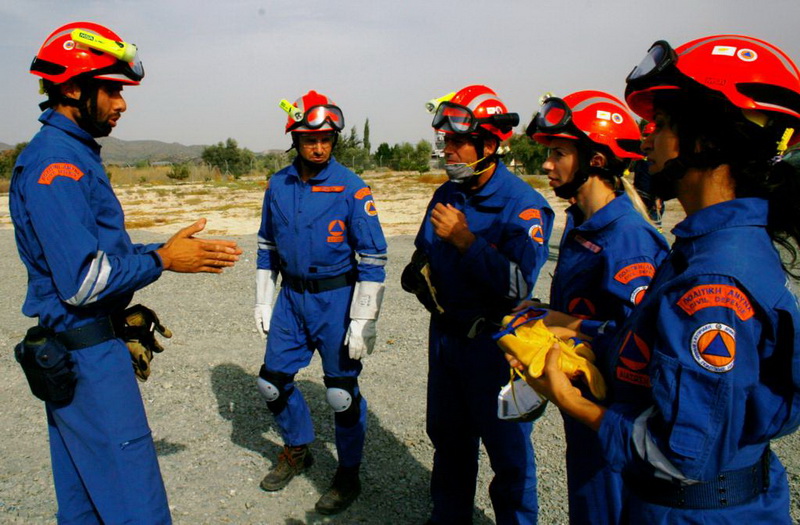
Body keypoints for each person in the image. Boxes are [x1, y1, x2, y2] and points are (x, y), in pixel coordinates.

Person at [512, 35, 800, 522]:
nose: (646, 138)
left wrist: (568, 400)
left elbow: (682, 455)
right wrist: (578, 327)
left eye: (662, 124)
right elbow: (651, 349)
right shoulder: (705, 247)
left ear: (706, 140)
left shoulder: (714, 283)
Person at [9, 22, 242, 524]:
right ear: (73, 87)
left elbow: (99, 250)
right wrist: (162, 261)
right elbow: (82, 280)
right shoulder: (57, 166)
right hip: (89, 362)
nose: (121, 103)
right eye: (112, 88)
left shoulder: (71, 154)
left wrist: (160, 247)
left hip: (77, 354)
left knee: (86, 507)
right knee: (138, 509)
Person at [404, 84, 554, 524]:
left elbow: (518, 286)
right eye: (445, 141)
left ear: (489, 145)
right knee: (449, 440)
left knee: (508, 455)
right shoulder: (448, 193)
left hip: (496, 347)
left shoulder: (523, 207)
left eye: (457, 142)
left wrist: (467, 242)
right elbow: (424, 254)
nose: (447, 151)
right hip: (447, 341)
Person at [524, 90, 669, 523]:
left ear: (598, 161)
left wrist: (562, 323)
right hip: (584, 403)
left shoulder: (629, 240)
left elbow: (639, 344)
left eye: (559, 153)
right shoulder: (580, 221)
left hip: (613, 415)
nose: (547, 163)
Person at [254, 90, 387, 515]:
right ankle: (298, 447)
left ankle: (348, 473)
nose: (318, 146)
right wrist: (263, 300)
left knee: (341, 396)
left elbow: (373, 257)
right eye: (309, 138)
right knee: (271, 383)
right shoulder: (278, 184)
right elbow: (266, 244)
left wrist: (363, 319)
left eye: (326, 138)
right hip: (291, 299)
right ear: (295, 138)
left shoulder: (352, 187)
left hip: (336, 299)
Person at [632, 122, 665, 228]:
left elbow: (660, 178)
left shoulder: (658, 157)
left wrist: (658, 198)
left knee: (654, 225)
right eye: (646, 135)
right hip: (639, 195)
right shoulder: (641, 153)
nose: (647, 139)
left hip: (652, 197)